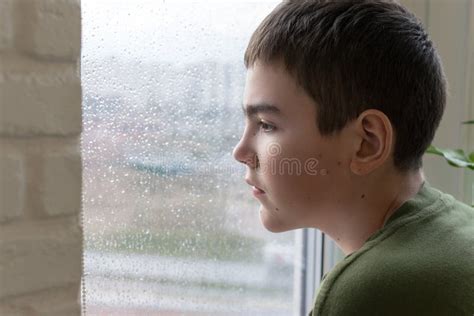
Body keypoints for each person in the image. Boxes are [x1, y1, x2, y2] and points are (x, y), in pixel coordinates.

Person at [232, 0, 474, 315]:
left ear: (366, 143)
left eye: (266, 125)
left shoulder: (376, 290)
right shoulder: (459, 227)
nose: (241, 152)